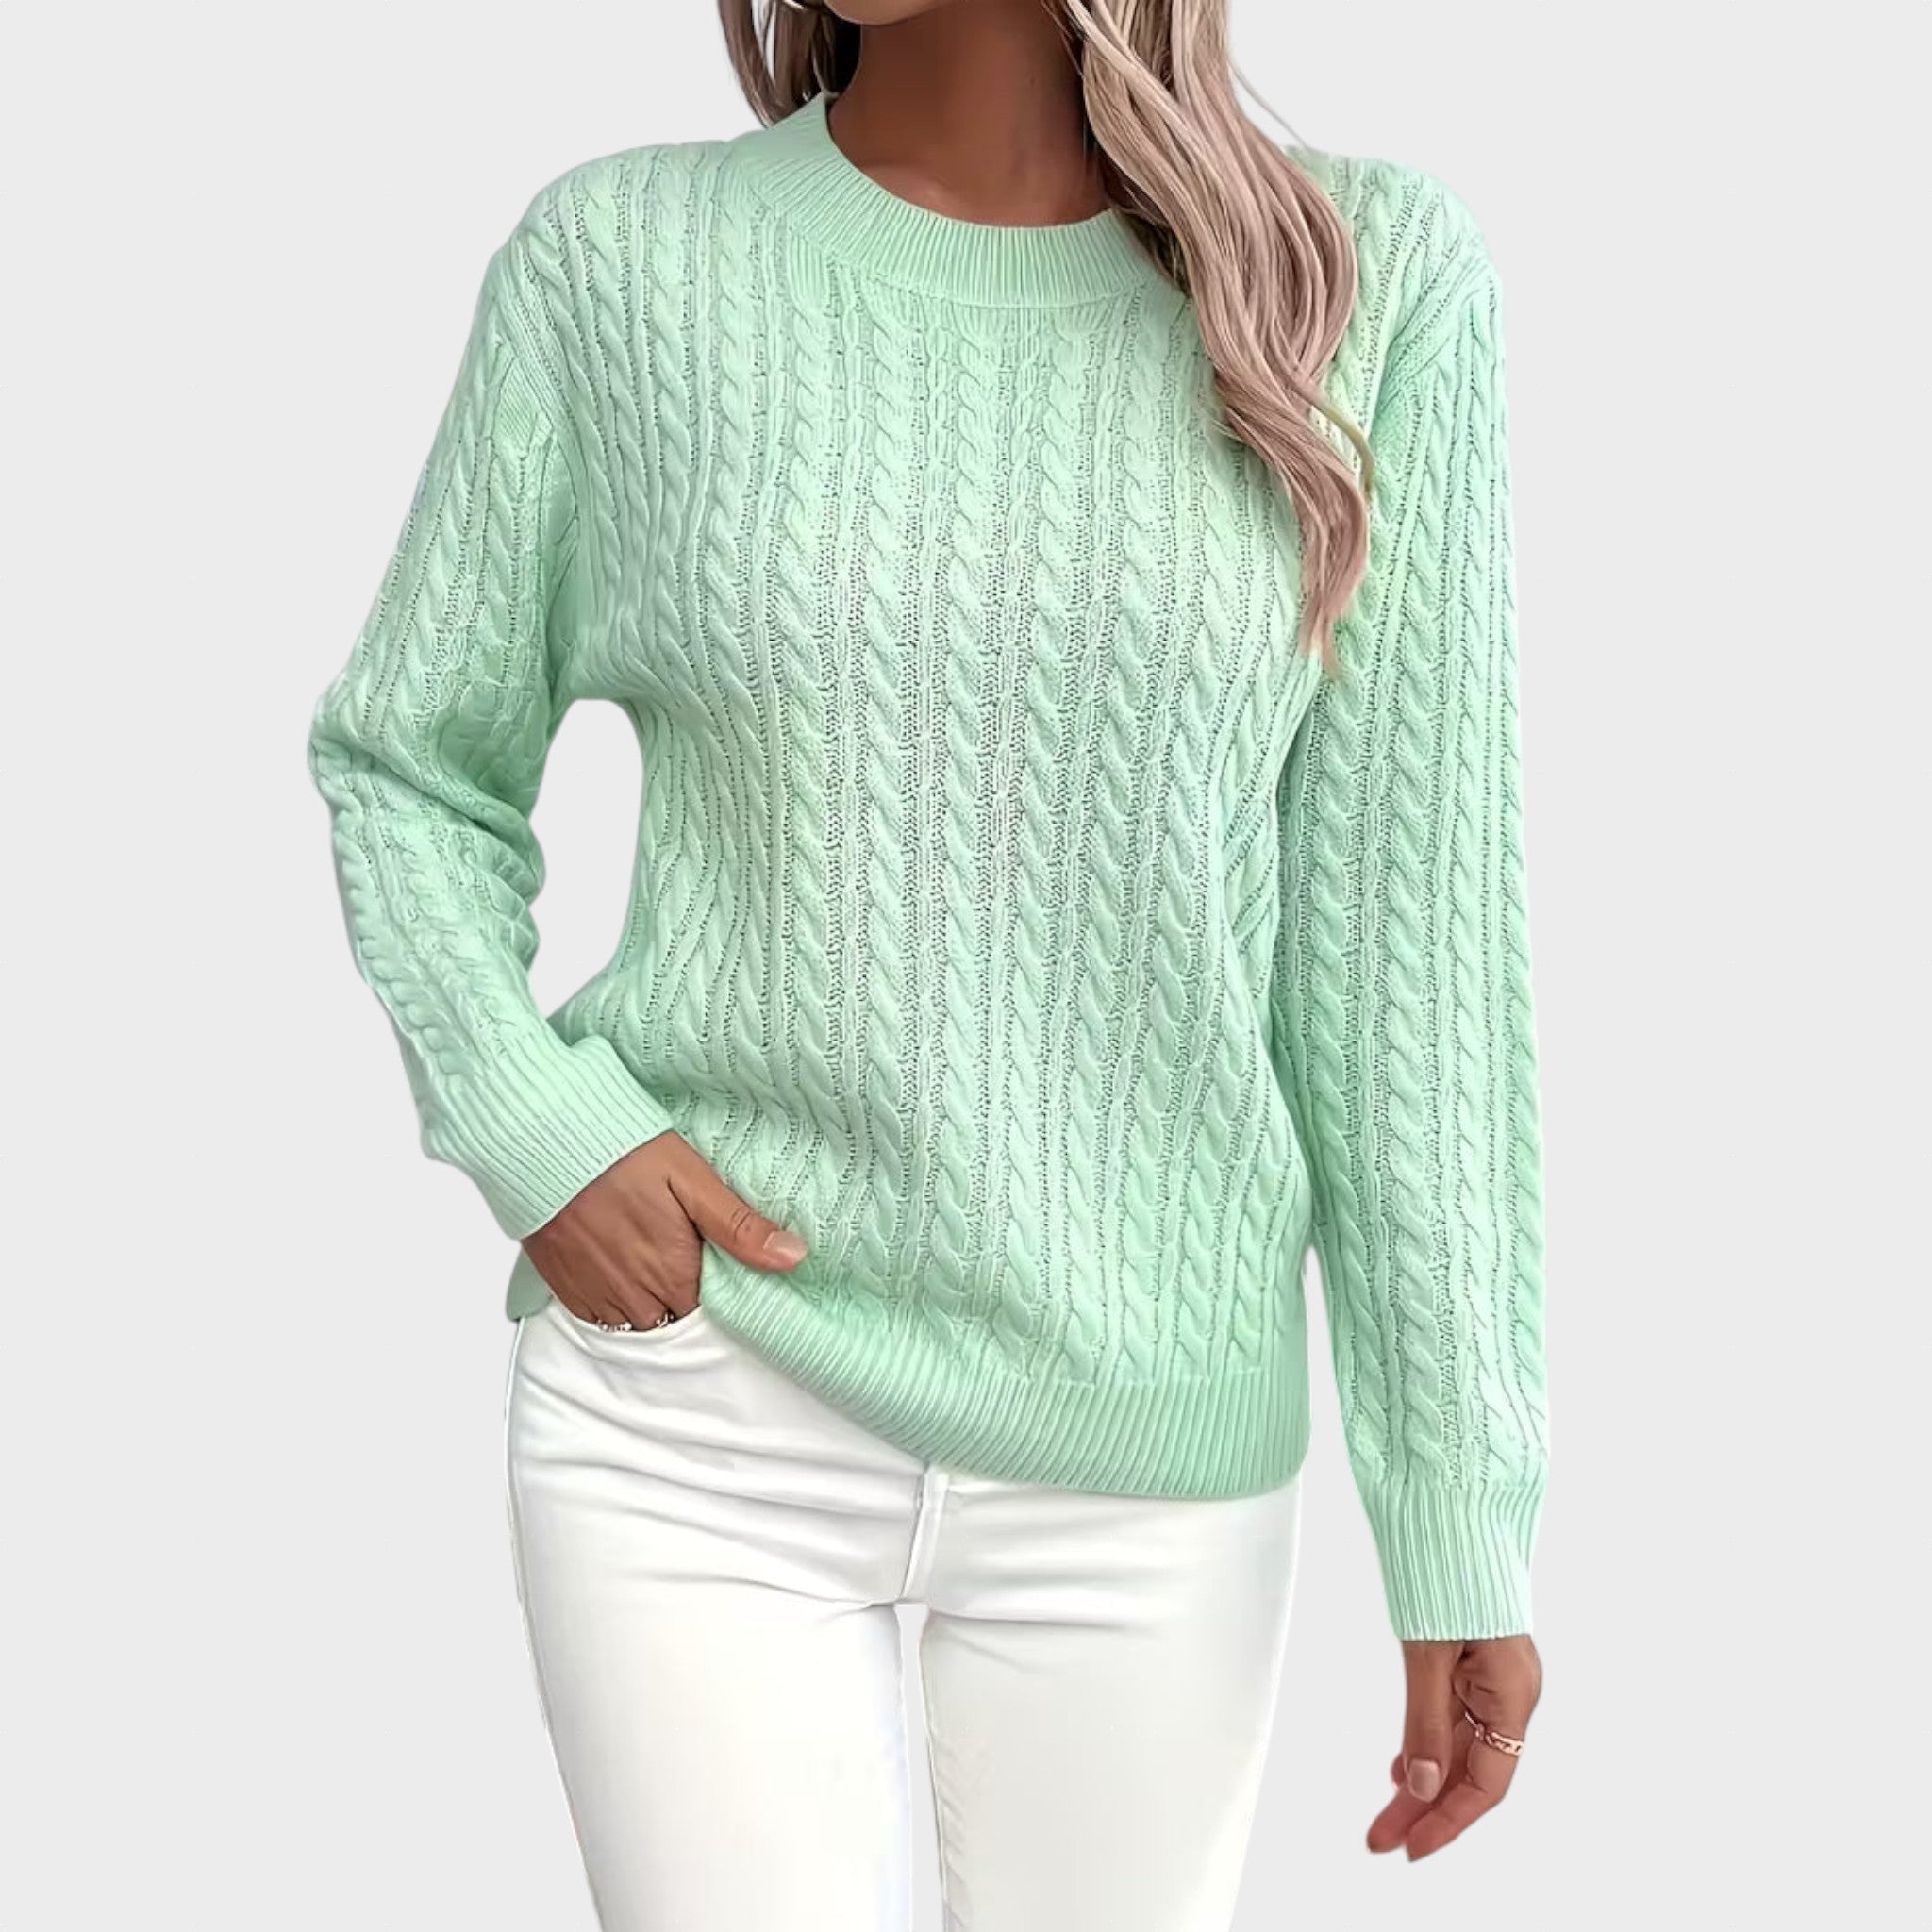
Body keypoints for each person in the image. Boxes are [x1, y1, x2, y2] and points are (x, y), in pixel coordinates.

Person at [305, 2, 1550, 1924]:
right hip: (703, 1408)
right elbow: (409, 763)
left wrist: (1459, 1506)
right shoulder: (622, 265)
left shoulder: (1361, 285)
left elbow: (1408, 964)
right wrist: (536, 1125)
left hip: (1147, 1436)